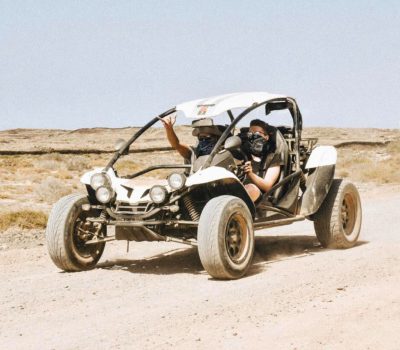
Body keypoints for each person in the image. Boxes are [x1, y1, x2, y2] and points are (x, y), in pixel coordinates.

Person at [242, 119, 281, 202]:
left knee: (250, 189)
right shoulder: (243, 153)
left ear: (266, 137)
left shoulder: (272, 157)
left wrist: (250, 174)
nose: (253, 136)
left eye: (257, 133)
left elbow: (267, 186)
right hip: (239, 190)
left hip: (259, 195)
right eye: (250, 133)